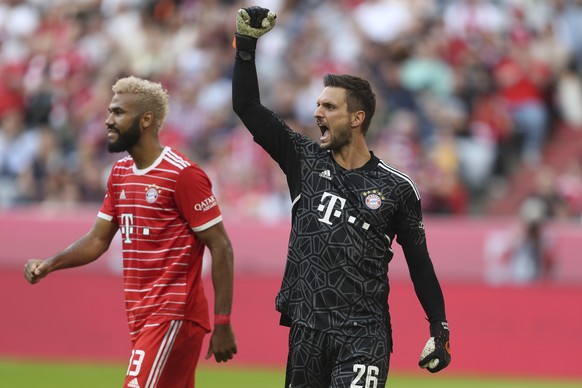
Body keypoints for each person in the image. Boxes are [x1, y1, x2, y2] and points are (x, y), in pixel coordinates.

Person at [232, 6, 451, 388]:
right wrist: (246, 47)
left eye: (328, 106)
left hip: (363, 335)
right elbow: (247, 106)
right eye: (318, 104)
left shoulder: (397, 189)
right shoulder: (303, 159)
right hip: (306, 330)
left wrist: (439, 327)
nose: (317, 111)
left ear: (357, 118)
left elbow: (420, 262)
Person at [23, 76, 237, 387]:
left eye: (118, 113)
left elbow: (221, 246)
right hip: (142, 315)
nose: (108, 120)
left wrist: (223, 322)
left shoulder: (182, 175)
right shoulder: (120, 173)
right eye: (110, 112)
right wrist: (50, 263)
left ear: (146, 119)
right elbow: (98, 239)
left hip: (173, 313)